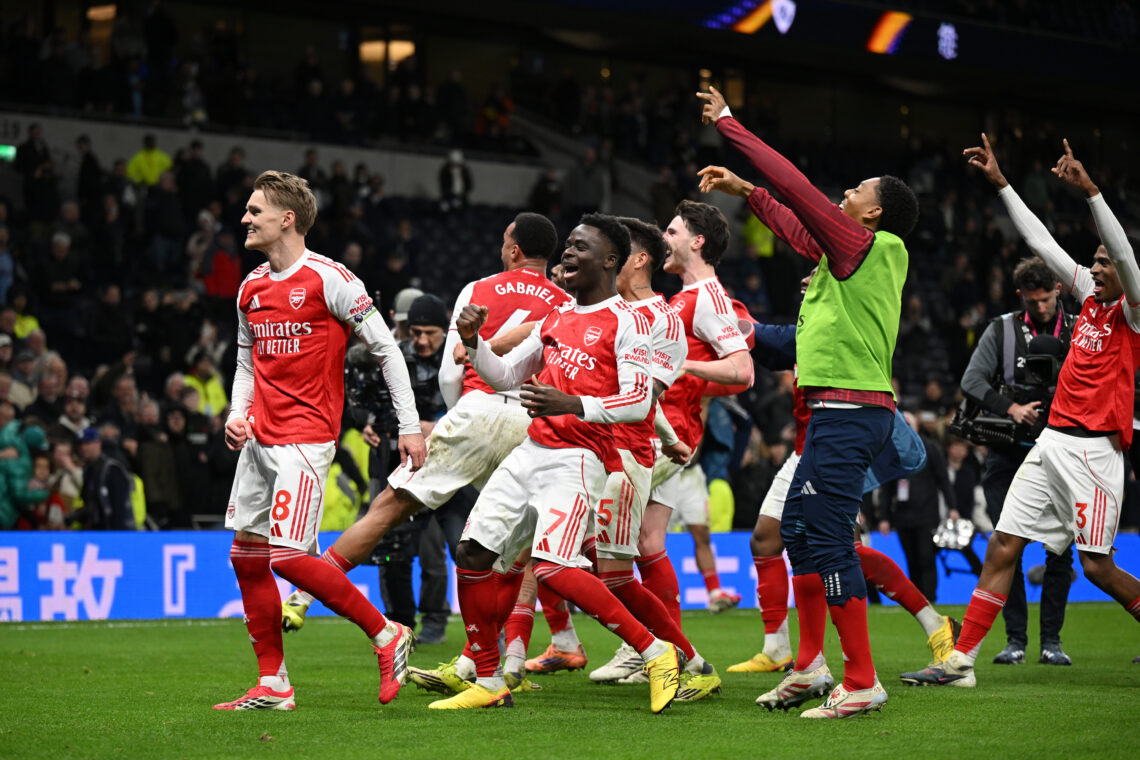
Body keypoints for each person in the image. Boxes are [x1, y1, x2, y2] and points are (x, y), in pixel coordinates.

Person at [697, 84, 918, 718]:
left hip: (851, 413)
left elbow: (798, 190)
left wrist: (732, 125)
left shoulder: (868, 247)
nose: (845, 195)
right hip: (834, 412)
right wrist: (747, 193)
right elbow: (796, 222)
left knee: (825, 542)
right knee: (795, 532)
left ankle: (862, 679)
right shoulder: (850, 257)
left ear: (872, 215)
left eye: (856, 192)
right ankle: (809, 666)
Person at [902, 138, 1140, 688]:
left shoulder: (1131, 311)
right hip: (1053, 441)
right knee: (1003, 543)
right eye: (1095, 263)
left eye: (1102, 263)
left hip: (1094, 450)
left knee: (1097, 567)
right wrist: (1002, 183)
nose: (1095, 267)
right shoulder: (1088, 303)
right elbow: (1044, 243)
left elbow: (1124, 254)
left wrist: (1093, 194)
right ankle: (960, 662)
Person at [278, 213, 569, 642]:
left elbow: (451, 372)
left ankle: (304, 594)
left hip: (478, 408)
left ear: (514, 250)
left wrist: (462, 413)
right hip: (529, 421)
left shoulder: (478, 289)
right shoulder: (565, 301)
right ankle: (509, 658)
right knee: (513, 551)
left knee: (388, 509)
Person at [434, 213, 680, 712]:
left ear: (610, 261)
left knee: (552, 570)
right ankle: (488, 678)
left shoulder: (628, 323)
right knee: (473, 554)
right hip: (530, 450)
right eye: (567, 245)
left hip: (582, 459)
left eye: (580, 247)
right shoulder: (554, 317)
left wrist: (573, 406)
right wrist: (475, 342)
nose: (567, 253)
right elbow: (504, 378)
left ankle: (657, 653)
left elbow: (637, 401)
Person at [214, 170, 426, 712]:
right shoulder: (250, 287)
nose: (245, 218)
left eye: (254, 210)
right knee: (246, 557)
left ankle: (386, 634)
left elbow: (387, 351)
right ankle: (274, 684)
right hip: (259, 440)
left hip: (306, 439)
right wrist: (238, 412)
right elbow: (245, 362)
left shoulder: (332, 280)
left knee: (285, 557)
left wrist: (407, 425)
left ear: (287, 219)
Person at [726, 270, 959, 683]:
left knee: (835, 549)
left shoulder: (835, 323)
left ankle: (921, 628)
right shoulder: (809, 326)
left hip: (836, 444)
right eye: (805, 275)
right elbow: (772, 344)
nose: (805, 279)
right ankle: (784, 650)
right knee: (771, 538)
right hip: (808, 448)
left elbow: (768, 339)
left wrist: (720, 311)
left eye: (816, 275)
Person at [958, 255, 1077, 665]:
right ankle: (1015, 641)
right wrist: (1013, 410)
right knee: (1006, 547)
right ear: (1020, 296)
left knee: (1060, 550)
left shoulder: (1079, 329)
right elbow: (971, 381)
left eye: (1045, 299)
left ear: (1058, 290)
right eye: (1032, 301)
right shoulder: (1002, 328)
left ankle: (1052, 641)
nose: (1040, 308)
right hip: (1007, 453)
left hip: (1062, 451)